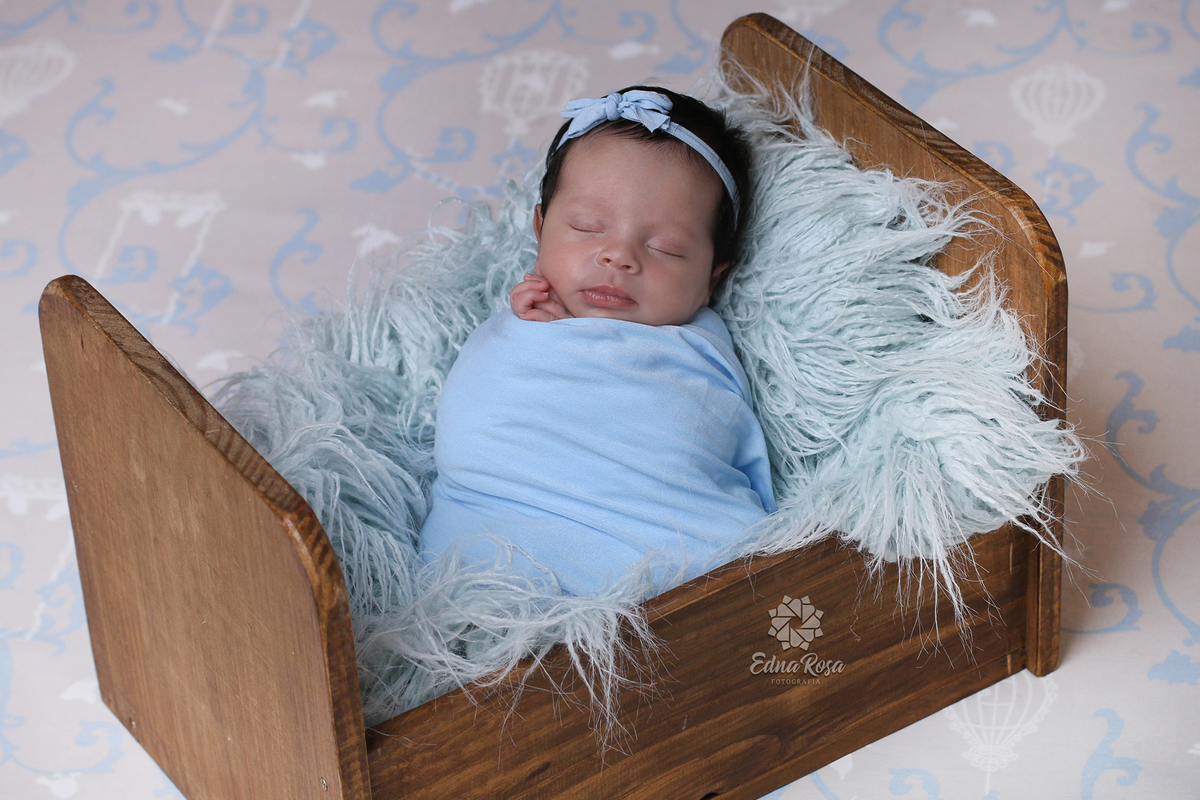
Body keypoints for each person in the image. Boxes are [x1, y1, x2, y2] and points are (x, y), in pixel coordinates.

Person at [419, 87, 776, 595]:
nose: (619, 256)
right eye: (587, 227)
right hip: (490, 564)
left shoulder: (699, 347)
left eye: (666, 248)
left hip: (673, 578)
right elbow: (478, 429)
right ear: (540, 229)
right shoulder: (523, 328)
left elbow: (707, 439)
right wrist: (543, 336)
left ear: (713, 278)